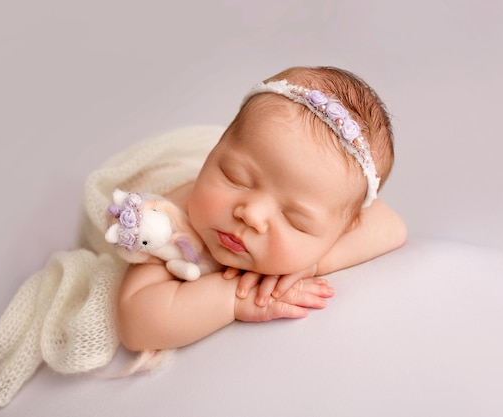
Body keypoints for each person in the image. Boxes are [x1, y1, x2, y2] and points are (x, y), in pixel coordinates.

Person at [114, 66, 407, 352]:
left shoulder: (329, 204)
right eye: (235, 177)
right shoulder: (168, 223)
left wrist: (314, 261)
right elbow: (137, 325)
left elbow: (392, 227)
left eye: (295, 220)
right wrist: (235, 298)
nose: (251, 215)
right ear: (214, 151)